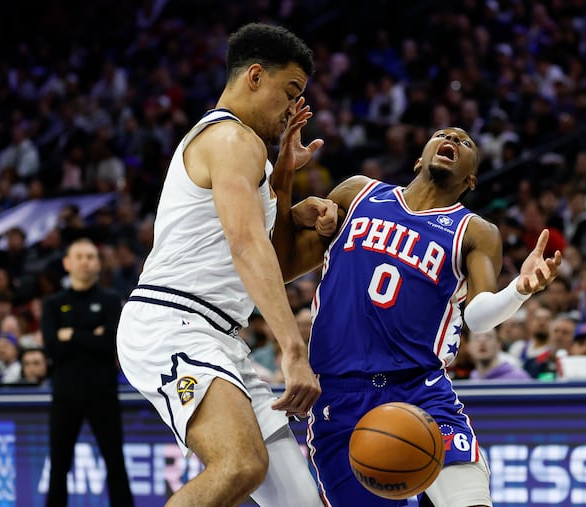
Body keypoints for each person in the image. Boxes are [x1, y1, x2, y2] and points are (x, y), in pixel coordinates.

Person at [274, 127, 561, 507]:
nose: (454, 139)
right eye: (443, 134)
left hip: (419, 390)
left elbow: (477, 317)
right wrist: (290, 205)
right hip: (339, 396)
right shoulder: (357, 192)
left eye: (466, 141)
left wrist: (519, 291)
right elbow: (280, 263)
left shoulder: (475, 231)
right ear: (418, 158)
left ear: (471, 178)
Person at [116, 23, 335, 507]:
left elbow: (269, 266)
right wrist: (293, 350)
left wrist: (282, 182)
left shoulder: (246, 151)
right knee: (241, 464)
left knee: (298, 502)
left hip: (216, 334)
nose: (295, 109)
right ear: (255, 76)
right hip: (174, 322)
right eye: (291, 92)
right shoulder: (233, 138)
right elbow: (245, 246)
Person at [42, 238, 134, 507]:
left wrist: (70, 334)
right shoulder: (53, 303)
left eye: (91, 256)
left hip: (103, 396)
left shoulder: (109, 300)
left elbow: (109, 345)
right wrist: (91, 335)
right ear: (67, 263)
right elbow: (53, 348)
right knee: (58, 466)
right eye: (79, 256)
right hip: (64, 397)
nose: (85, 261)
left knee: (115, 463)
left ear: (99, 263)